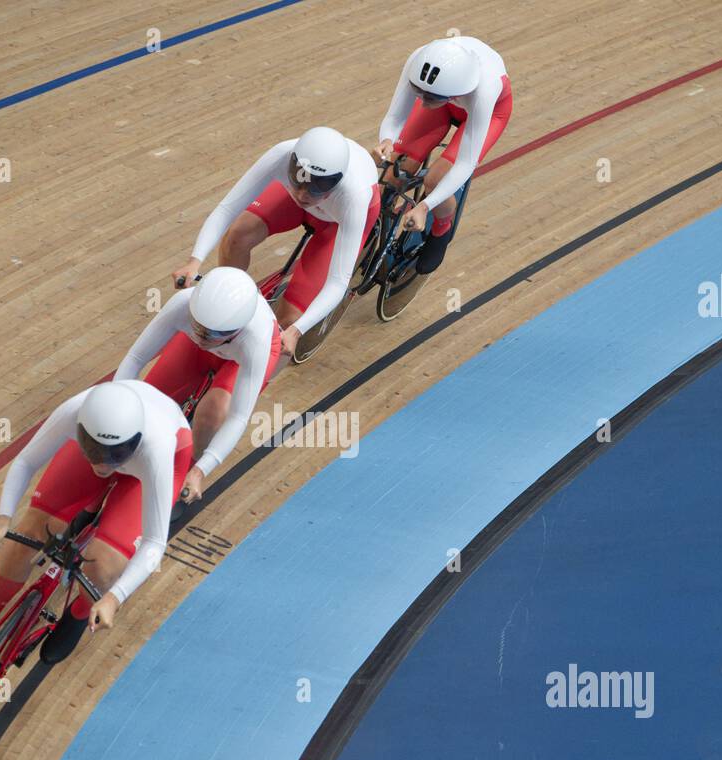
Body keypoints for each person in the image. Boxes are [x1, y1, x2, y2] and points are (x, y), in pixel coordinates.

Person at [0, 379, 191, 669]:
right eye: (95, 450)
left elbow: (155, 542)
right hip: (117, 448)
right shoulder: (73, 411)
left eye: (114, 455)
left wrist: (113, 598)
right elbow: (26, 462)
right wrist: (3, 516)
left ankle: (79, 614)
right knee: (29, 532)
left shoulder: (157, 447)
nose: (105, 464)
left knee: (104, 565)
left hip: (150, 469)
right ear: (81, 429)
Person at [172, 126, 379, 361]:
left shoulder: (355, 195)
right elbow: (227, 209)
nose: (302, 195)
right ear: (293, 163)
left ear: (337, 183)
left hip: (337, 224)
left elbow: (338, 282)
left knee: (288, 321)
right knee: (236, 238)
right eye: (298, 182)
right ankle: (227, 299)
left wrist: (296, 330)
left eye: (314, 189)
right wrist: (194, 260)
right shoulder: (282, 153)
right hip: (301, 204)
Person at [117, 267, 280, 501]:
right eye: (199, 326)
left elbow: (238, 417)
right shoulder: (183, 304)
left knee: (214, 412)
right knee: (148, 399)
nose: (204, 338)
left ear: (237, 330)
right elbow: (135, 359)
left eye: (213, 334)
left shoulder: (256, 340)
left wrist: (199, 470)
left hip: (239, 358)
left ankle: (188, 464)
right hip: (195, 346)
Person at [374, 36, 512, 273]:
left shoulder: (485, 89)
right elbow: (396, 116)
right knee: (394, 170)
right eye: (420, 92)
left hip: (488, 114)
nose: (424, 103)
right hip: (446, 99)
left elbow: (466, 163)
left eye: (430, 98)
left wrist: (425, 206)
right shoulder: (419, 61)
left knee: (436, 180)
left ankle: (441, 228)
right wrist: (386, 141)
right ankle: (374, 230)